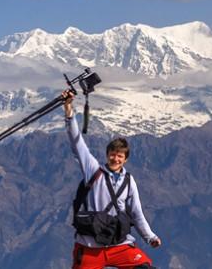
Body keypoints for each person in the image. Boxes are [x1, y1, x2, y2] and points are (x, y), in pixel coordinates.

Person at [62, 90, 162, 269]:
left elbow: (136, 213)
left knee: (145, 267)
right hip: (89, 246)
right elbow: (77, 144)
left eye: (120, 156)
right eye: (113, 155)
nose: (115, 159)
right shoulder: (93, 170)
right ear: (107, 155)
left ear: (126, 159)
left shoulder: (129, 181)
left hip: (120, 245)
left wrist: (150, 237)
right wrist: (68, 109)